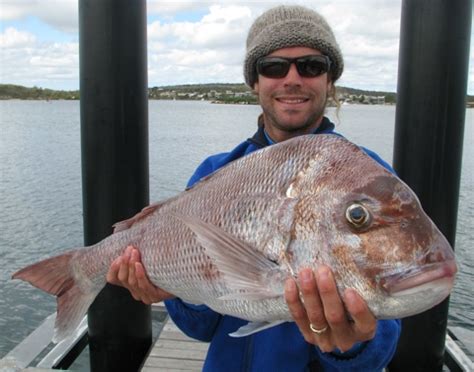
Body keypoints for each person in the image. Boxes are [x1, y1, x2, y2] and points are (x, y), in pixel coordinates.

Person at [107, 5, 401, 371]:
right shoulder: (214, 172)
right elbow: (200, 327)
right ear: (254, 82)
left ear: (330, 80)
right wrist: (173, 289)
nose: (292, 79)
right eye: (274, 67)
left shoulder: (365, 177)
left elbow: (379, 348)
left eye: (311, 66)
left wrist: (353, 343)